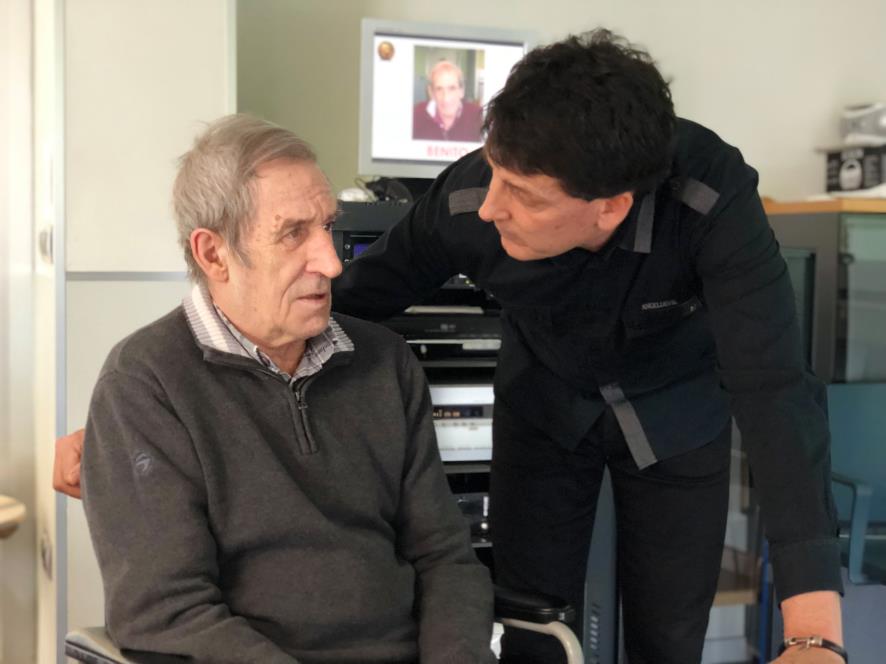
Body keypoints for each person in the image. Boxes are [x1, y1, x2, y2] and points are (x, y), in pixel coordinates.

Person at [54, 30, 846, 664]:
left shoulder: (710, 201)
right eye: (493, 172)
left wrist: (814, 632)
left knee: (668, 634)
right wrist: (138, 422)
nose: (490, 206)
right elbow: (339, 297)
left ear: (607, 208)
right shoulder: (469, 200)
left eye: (522, 197)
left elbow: (776, 390)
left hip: (673, 411)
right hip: (548, 405)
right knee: (532, 617)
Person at [73, 115, 495, 664]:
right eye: (293, 233)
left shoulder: (386, 362)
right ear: (213, 254)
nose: (331, 262)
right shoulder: (145, 384)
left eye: (328, 226)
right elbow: (167, 611)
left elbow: (446, 559)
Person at [412, 60, 484, 142]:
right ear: (431, 93)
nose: (446, 98)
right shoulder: (416, 115)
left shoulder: (478, 116)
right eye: (439, 89)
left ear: (461, 91)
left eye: (452, 88)